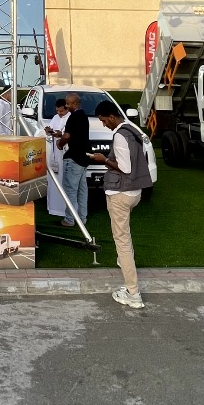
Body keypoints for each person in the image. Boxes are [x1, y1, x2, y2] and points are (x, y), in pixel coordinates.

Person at [90, 99, 152, 309]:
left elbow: (125, 168)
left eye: (103, 120)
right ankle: (125, 264)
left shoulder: (119, 135)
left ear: (112, 116)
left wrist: (104, 160)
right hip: (135, 192)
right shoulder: (133, 129)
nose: (103, 124)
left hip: (120, 194)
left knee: (122, 242)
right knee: (125, 237)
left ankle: (133, 294)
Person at [56, 91, 90, 228]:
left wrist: (60, 143)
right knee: (82, 190)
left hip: (74, 158)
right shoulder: (83, 116)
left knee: (70, 190)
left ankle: (69, 219)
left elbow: (67, 136)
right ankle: (82, 218)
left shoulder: (73, 117)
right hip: (83, 157)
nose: (66, 106)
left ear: (75, 104)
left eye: (68, 103)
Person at [44, 97, 69, 217]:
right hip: (54, 153)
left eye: (61, 111)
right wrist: (48, 130)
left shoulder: (70, 118)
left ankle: (65, 210)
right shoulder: (55, 117)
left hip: (65, 152)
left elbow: (69, 135)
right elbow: (51, 129)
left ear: (66, 108)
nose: (59, 113)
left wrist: (61, 134)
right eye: (57, 111)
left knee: (64, 180)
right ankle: (53, 208)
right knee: (53, 180)